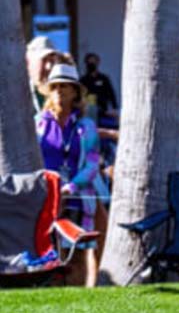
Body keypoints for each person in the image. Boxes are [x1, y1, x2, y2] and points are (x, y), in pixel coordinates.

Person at [35, 62, 107, 286]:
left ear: (75, 92)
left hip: (76, 198)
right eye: (55, 87)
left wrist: (70, 188)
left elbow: (92, 164)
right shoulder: (37, 125)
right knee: (48, 253)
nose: (59, 92)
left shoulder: (86, 126)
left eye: (64, 87)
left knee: (75, 254)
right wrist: (51, 189)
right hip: (45, 198)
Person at [79, 53, 118, 120]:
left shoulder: (104, 78)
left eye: (93, 62)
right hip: (88, 110)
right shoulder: (83, 80)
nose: (91, 64)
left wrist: (114, 108)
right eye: (89, 62)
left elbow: (111, 93)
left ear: (97, 62)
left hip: (103, 109)